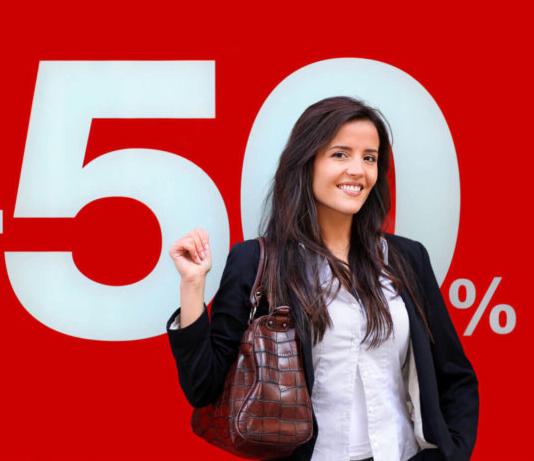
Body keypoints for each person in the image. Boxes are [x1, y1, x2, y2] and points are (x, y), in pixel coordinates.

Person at [166, 96, 478, 461]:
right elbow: (203, 387)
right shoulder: (258, 262)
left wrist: (449, 453)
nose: (358, 170)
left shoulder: (406, 259)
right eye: (340, 154)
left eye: (370, 157)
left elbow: (455, 375)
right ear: (307, 162)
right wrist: (192, 286)